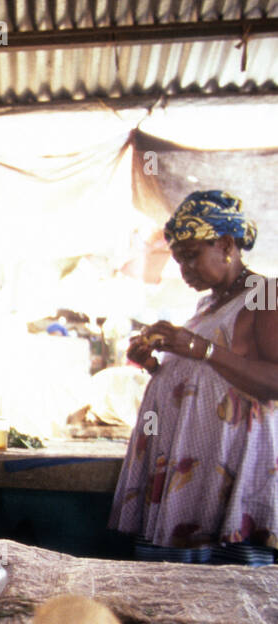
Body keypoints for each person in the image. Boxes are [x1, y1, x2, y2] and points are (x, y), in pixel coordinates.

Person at [110, 190, 278, 549]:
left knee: (222, 582)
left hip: (228, 463)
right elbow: (202, 382)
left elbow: (274, 382)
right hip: (191, 460)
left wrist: (201, 348)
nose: (184, 270)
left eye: (191, 257)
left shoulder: (263, 293)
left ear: (227, 245)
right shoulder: (209, 304)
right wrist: (153, 365)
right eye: (179, 260)